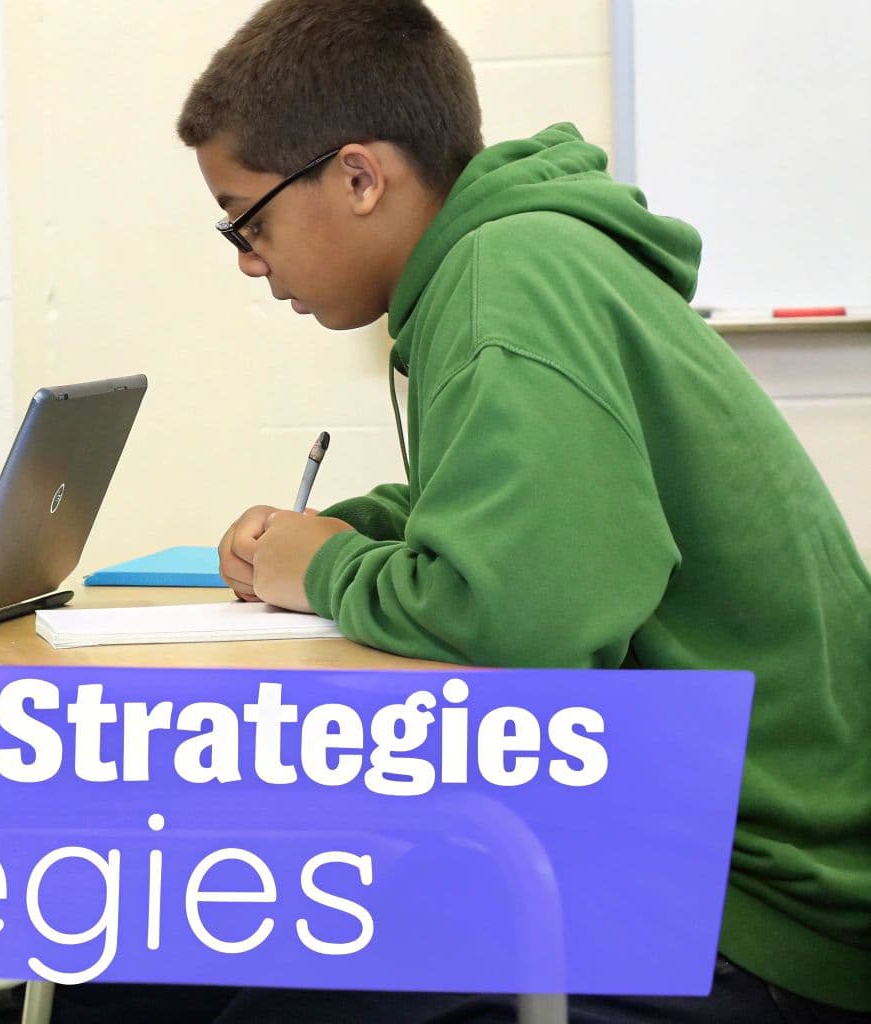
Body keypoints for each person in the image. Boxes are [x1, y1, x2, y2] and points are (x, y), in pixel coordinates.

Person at [70, 0, 871, 1020]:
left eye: (247, 218)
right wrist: (353, 529)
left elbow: (523, 624)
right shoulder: (517, 258)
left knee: (247, 985)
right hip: (687, 841)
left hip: (748, 907)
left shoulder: (505, 285)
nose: (245, 258)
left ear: (357, 177)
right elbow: (535, 509)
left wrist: (320, 568)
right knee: (177, 970)